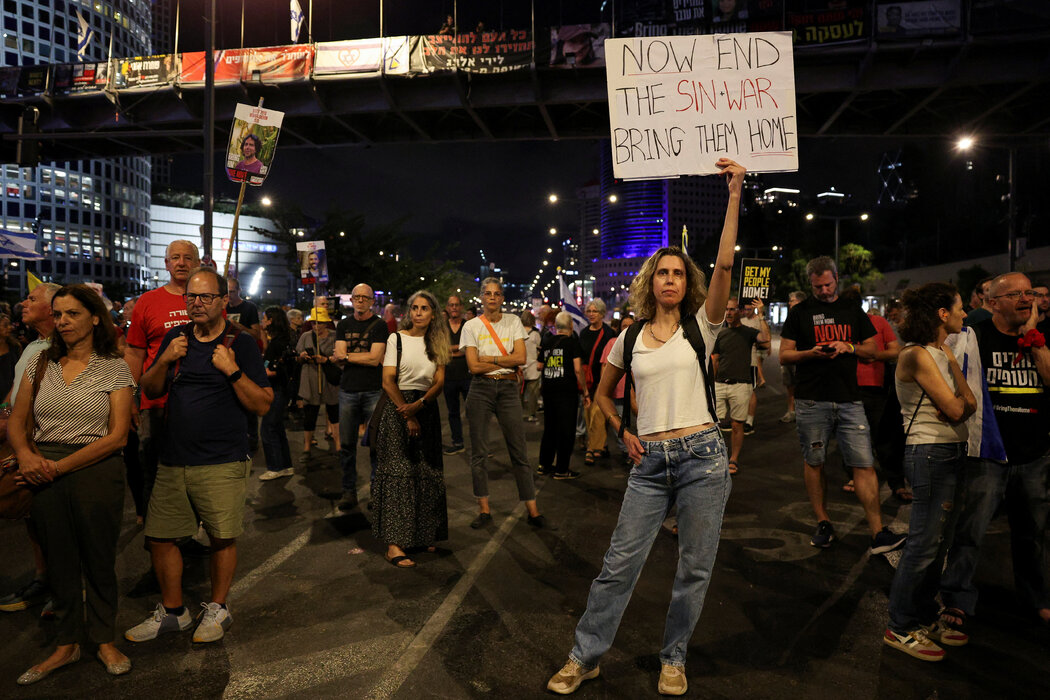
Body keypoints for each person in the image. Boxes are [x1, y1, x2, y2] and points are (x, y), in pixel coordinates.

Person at [547, 157, 744, 696]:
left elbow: (724, 267)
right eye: (664, 272)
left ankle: (674, 658)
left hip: (703, 455)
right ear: (650, 282)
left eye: (680, 273)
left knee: (694, 570)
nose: (672, 280)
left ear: (690, 283)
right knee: (618, 566)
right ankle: (584, 656)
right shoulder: (626, 338)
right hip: (649, 463)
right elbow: (604, 394)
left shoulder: (704, 325)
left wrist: (734, 194)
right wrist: (618, 429)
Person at [125, 268, 272, 645]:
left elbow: (263, 405)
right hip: (175, 458)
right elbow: (151, 386)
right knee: (159, 536)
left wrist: (232, 370)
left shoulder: (240, 343)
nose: (197, 303)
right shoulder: (177, 337)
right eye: (192, 297)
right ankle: (174, 611)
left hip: (222, 458)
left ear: (225, 300)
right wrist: (163, 360)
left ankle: (218, 607)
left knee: (221, 537)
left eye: (206, 297)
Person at [9, 284, 135, 684]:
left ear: (95, 317)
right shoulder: (40, 363)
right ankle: (66, 643)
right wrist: (28, 457)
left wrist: (57, 469)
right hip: (42, 464)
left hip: (95, 470)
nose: (63, 322)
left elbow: (117, 436)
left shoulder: (114, 367)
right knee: (58, 561)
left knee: (98, 558)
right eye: (59, 314)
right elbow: (17, 418)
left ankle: (103, 638)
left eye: (73, 314)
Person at [940, 272, 1050, 627]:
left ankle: (1036, 597)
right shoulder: (975, 338)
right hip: (988, 454)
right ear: (992, 303)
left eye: (1029, 292)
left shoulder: (1042, 338)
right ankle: (957, 597)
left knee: (1033, 533)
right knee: (971, 530)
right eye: (1015, 294)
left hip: (1034, 455)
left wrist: (1033, 340)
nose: (1025, 298)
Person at [779, 255, 907, 554]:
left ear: (836, 278)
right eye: (817, 286)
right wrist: (811, 353)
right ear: (810, 284)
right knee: (815, 462)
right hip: (811, 399)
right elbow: (784, 355)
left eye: (827, 284)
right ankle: (823, 522)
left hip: (850, 399)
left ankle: (877, 532)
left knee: (864, 463)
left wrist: (847, 346)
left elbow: (873, 350)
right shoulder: (800, 313)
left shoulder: (852, 309)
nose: (823, 291)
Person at [882, 282, 975, 662]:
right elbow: (957, 410)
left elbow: (967, 401)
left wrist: (960, 400)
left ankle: (922, 615)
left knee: (940, 543)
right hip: (930, 453)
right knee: (922, 544)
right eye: (959, 307)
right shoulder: (916, 354)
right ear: (942, 314)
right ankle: (899, 625)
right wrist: (960, 404)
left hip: (952, 450)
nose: (964, 313)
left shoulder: (940, 350)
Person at [372, 290, 450, 568]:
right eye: (414, 307)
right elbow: (387, 380)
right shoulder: (396, 338)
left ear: (433, 314)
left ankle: (422, 534)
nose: (418, 312)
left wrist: (422, 404)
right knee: (399, 475)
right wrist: (408, 413)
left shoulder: (438, 341)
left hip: (425, 406)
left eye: (424, 308)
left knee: (427, 472)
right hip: (398, 409)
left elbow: (439, 381)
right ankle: (394, 545)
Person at [462, 277, 545, 529]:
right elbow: (473, 365)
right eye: (487, 293)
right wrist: (503, 358)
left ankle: (532, 510)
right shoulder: (472, 326)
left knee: (519, 451)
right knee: (479, 453)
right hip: (480, 389)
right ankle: (484, 510)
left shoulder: (514, 322)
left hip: (508, 388)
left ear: (502, 298)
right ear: (482, 297)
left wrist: (492, 358)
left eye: (497, 293)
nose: (492, 297)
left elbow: (520, 357)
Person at [126, 239, 200, 517]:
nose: (182, 262)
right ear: (166, 263)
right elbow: (134, 354)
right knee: (155, 470)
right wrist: (130, 400)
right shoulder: (147, 302)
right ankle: (156, 538)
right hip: (156, 403)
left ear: (197, 262)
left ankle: (187, 533)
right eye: (176, 258)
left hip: (197, 403)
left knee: (193, 472)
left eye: (188, 257)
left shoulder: (208, 299)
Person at [0, 283, 61, 616]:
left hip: (46, 441)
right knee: (32, 516)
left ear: (52, 308)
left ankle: (66, 586)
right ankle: (43, 578)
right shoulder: (32, 346)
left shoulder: (63, 347)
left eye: (32, 299)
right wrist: (4, 415)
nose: (24, 303)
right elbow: (13, 392)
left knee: (55, 518)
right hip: (22, 441)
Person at [333, 284, 388, 511]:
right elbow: (337, 355)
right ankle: (349, 491)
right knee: (347, 445)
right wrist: (354, 356)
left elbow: (376, 359)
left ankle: (377, 492)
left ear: (372, 301)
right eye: (357, 297)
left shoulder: (380, 325)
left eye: (365, 297)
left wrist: (347, 355)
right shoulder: (344, 324)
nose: (360, 301)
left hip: (373, 389)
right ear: (352, 300)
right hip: (348, 390)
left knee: (376, 445)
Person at [711, 297, 770, 475]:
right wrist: (710, 384)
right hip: (720, 384)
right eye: (726, 310)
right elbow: (715, 359)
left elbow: (765, 339)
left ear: (740, 311)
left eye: (732, 309)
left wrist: (761, 314)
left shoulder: (748, 332)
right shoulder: (719, 334)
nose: (728, 313)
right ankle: (717, 457)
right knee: (715, 424)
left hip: (741, 385)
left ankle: (733, 458)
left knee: (737, 425)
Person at [537, 311, 589, 480]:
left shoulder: (547, 341)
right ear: (571, 326)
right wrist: (585, 391)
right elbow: (577, 369)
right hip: (566, 392)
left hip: (549, 390)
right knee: (566, 430)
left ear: (557, 326)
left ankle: (543, 465)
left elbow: (539, 366)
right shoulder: (572, 343)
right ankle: (561, 469)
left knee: (550, 428)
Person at [297, 305, 341, 461]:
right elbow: (298, 357)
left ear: (326, 323)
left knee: (334, 413)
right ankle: (307, 448)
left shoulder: (335, 336)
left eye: (320, 322)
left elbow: (341, 357)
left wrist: (326, 360)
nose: (316, 326)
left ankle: (338, 446)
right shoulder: (305, 336)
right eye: (314, 322)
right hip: (310, 379)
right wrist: (303, 356)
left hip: (329, 379)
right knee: (310, 415)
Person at [259, 307, 295, 481]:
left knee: (268, 428)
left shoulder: (277, 343)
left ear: (271, 320)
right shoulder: (283, 339)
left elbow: (273, 370)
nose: (262, 321)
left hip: (276, 389)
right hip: (283, 388)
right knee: (278, 428)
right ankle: (286, 465)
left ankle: (275, 466)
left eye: (264, 318)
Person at [580, 299, 615, 466]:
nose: (592, 314)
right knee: (589, 416)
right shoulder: (584, 333)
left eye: (595, 311)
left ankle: (591, 449)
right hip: (587, 382)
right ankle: (603, 445)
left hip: (603, 381)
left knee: (597, 415)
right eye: (589, 311)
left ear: (602, 314)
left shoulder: (609, 334)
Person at [442, 295, 470, 455]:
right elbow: (440, 349)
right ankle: (458, 442)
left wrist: (450, 350)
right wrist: (459, 349)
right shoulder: (442, 327)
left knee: (474, 412)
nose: (454, 308)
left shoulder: (468, 326)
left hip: (467, 375)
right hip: (448, 377)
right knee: (453, 413)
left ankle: (480, 446)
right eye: (451, 305)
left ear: (461, 307)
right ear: (447, 307)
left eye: (457, 305)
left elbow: (470, 348)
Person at [738, 299, 770, 433]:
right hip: (737, 361)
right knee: (737, 391)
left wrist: (761, 313)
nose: (746, 312)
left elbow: (766, 339)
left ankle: (749, 421)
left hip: (750, 361)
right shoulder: (740, 319)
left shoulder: (758, 320)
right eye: (744, 309)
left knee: (750, 392)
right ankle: (738, 419)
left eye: (749, 309)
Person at [779, 291, 806, 423]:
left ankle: (802, 413)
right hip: (789, 359)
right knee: (789, 386)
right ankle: (791, 411)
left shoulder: (807, 317)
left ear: (800, 302)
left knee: (801, 387)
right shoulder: (790, 318)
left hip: (801, 359)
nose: (789, 303)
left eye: (792, 300)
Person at [521, 310, 542, 422]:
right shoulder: (535, 334)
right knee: (533, 394)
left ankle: (518, 414)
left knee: (519, 393)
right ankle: (532, 414)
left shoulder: (517, 333)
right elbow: (540, 350)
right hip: (533, 367)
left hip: (520, 368)